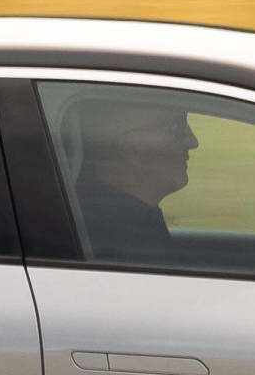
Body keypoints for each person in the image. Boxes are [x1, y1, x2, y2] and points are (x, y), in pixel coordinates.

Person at [67, 98, 194, 261]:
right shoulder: (125, 244)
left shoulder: (121, 221)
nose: (193, 141)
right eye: (177, 128)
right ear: (132, 148)